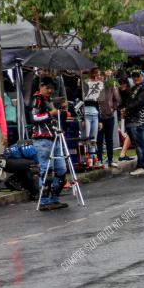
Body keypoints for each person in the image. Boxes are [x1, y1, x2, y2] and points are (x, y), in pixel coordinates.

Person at [30, 77, 71, 210]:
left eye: (51, 88)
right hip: (42, 139)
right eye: (47, 88)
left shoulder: (50, 101)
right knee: (47, 171)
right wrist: (50, 113)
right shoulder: (37, 99)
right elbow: (34, 118)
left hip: (55, 138)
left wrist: (62, 110)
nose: (49, 90)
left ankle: (54, 198)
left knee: (61, 169)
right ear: (40, 87)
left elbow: (59, 118)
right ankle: (44, 201)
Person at [124, 70, 144, 177]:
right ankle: (141, 165)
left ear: (142, 76)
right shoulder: (133, 88)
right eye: (134, 76)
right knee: (137, 144)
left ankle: (143, 166)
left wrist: (127, 108)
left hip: (140, 119)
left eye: (137, 76)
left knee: (140, 144)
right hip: (133, 119)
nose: (136, 78)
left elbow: (139, 102)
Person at [81, 68, 106, 164]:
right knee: (86, 137)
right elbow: (83, 101)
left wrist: (100, 120)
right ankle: (86, 158)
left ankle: (92, 157)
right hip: (86, 113)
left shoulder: (98, 85)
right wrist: (83, 118)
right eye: (95, 74)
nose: (97, 76)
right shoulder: (86, 83)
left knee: (93, 138)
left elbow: (98, 103)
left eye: (98, 74)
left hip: (95, 114)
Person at [97, 70, 121, 167]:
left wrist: (113, 108)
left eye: (101, 75)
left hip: (109, 116)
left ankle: (110, 160)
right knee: (99, 139)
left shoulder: (110, 85)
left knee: (109, 139)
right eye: (98, 76)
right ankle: (99, 160)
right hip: (98, 117)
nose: (100, 77)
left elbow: (117, 99)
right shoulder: (94, 87)